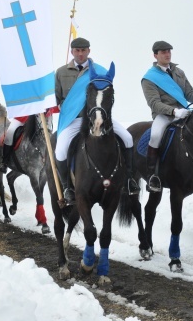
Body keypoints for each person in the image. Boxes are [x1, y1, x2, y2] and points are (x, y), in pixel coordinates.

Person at [54, 37, 139, 205]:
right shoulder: (61, 72)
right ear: (72, 52)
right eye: (77, 50)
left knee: (128, 138)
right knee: (60, 151)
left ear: (88, 51)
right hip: (74, 120)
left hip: (99, 118)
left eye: (83, 50)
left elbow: (107, 95)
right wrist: (65, 106)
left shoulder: (100, 70)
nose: (80, 53)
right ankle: (67, 187)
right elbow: (57, 98)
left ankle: (129, 180)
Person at [141, 41, 193, 192]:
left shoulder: (179, 72)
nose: (167, 54)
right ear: (155, 55)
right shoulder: (149, 78)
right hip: (164, 115)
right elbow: (154, 103)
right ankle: (153, 176)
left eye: (169, 51)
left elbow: (191, 95)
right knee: (155, 135)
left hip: (185, 112)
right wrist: (174, 111)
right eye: (163, 52)